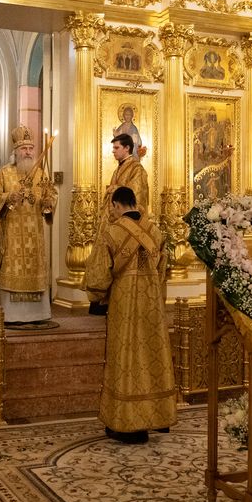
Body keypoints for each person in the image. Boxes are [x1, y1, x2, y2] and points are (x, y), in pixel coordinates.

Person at [84, 186, 176, 444]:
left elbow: (99, 275)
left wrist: (96, 297)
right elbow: (162, 269)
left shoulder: (112, 232)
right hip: (151, 304)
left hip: (123, 304)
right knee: (150, 356)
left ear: (116, 205)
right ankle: (152, 417)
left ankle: (125, 423)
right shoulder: (155, 232)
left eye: (112, 208)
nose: (112, 212)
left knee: (124, 357)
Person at [0, 126, 57, 325]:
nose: (28, 152)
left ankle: (37, 314)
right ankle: (12, 314)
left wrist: (48, 204)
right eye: (24, 148)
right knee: (12, 267)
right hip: (12, 233)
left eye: (31, 148)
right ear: (16, 151)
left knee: (35, 268)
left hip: (34, 233)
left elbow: (50, 195)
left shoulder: (40, 174)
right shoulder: (4, 173)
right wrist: (8, 196)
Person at [101, 133, 148, 227]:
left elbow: (136, 195)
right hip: (113, 221)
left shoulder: (136, 168)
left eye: (116, 148)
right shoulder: (117, 170)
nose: (113, 151)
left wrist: (114, 189)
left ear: (127, 148)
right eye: (113, 148)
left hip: (127, 223)